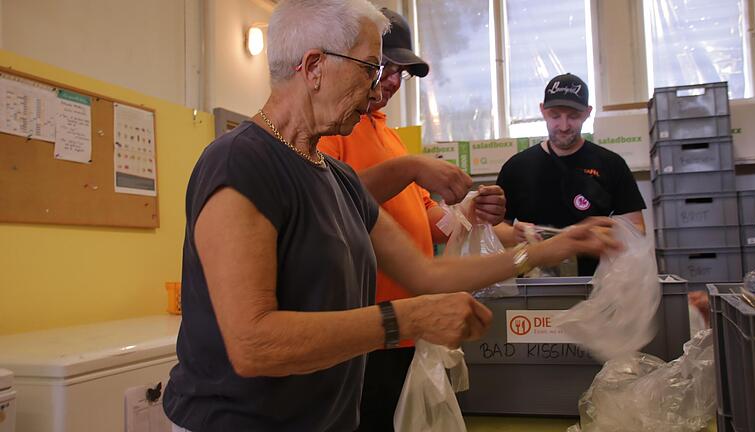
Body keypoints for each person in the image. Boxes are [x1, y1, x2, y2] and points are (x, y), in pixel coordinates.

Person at [162, 2, 620, 430]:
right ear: (315, 66)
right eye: (369, 67)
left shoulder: (336, 178)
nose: (377, 84)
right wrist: (405, 320)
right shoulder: (240, 162)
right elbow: (252, 344)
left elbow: (425, 274)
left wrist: (546, 249)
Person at [317, 8, 506, 430]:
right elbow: (327, 203)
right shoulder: (332, 130)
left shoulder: (391, 137)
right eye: (383, 67)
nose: (390, 82)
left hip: (407, 325)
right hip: (364, 327)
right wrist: (410, 168)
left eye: (401, 74)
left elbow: (428, 218)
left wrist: (468, 212)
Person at [495, 73, 646, 276]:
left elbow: (637, 227)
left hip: (595, 286)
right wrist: (515, 234)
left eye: (573, 116)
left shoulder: (611, 164)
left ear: (587, 113)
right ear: (542, 110)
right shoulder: (516, 167)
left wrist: (600, 234)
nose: (564, 126)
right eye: (555, 116)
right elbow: (493, 230)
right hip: (533, 290)